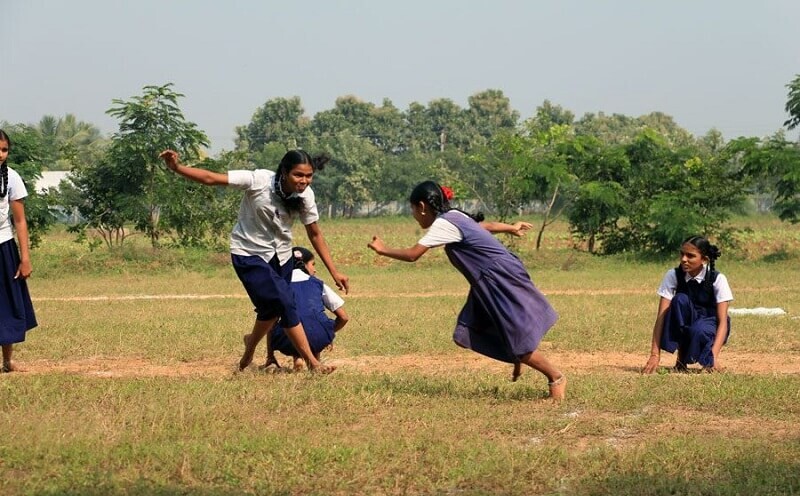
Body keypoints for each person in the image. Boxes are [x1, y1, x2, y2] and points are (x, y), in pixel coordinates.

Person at [367, 181, 566, 400]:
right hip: (489, 280)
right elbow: (486, 227)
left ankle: (555, 376)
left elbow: (413, 254)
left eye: (413, 210)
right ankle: (517, 356)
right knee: (469, 330)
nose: (414, 215)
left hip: (498, 278)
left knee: (516, 334)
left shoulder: (444, 224)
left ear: (422, 206)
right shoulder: (455, 216)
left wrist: (383, 250)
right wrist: (511, 227)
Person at [159, 149, 349, 373]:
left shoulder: (306, 196)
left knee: (273, 309)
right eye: (298, 175)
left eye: (308, 176)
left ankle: (249, 349)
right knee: (285, 302)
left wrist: (334, 271)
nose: (304, 181)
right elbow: (211, 178)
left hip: (282, 256)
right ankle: (313, 363)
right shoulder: (258, 180)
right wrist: (177, 168)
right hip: (249, 254)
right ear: (284, 172)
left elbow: (315, 234)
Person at [642, 236, 732, 374]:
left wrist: (713, 356)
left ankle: (707, 359)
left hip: (710, 323)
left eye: (690, 256)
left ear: (704, 260)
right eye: (682, 254)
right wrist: (655, 354)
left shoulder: (718, 279)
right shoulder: (673, 275)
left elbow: (723, 322)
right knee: (679, 300)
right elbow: (661, 316)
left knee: (699, 330)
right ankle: (681, 358)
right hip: (689, 320)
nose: (684, 259)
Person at [262, 246, 349, 372]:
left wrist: (270, 354)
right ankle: (313, 359)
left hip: (285, 341)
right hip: (318, 338)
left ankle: (295, 357)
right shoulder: (318, 283)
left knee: (276, 320)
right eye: (313, 264)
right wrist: (327, 334)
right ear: (305, 265)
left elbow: (269, 320)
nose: (315, 269)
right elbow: (344, 317)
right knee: (314, 325)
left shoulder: (279, 285)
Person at [0, 129, 37, 373]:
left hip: (3, 246)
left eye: (4, 150)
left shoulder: (11, 178)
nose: (1, 154)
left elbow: (20, 221)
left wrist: (25, 258)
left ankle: (7, 361)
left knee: (7, 304)